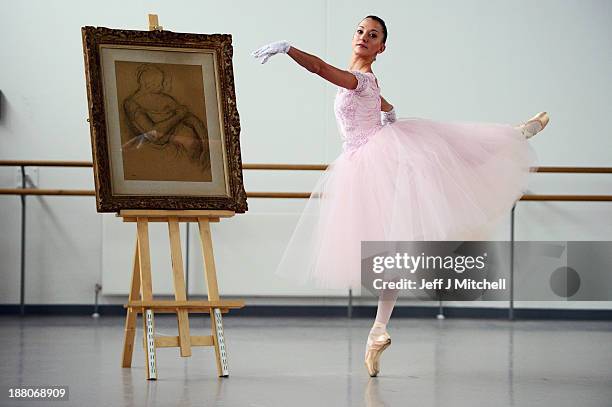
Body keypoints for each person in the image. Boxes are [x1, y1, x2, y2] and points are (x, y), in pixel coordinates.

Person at [251, 15, 549, 377]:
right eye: (360, 31)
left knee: (444, 155)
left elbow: (319, 68)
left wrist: (288, 49)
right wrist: (388, 117)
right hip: (364, 159)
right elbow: (385, 106)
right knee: (387, 249)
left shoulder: (360, 79)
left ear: (381, 47)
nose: (364, 37)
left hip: (374, 157)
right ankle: (378, 331)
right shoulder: (366, 82)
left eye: (372, 35)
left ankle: (513, 137)